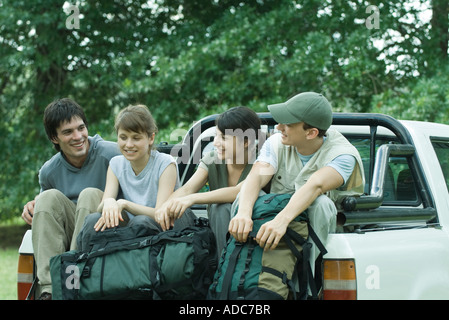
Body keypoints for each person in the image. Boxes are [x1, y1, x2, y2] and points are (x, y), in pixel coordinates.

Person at [229, 92, 364, 262]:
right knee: (245, 196)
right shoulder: (276, 142)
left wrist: (281, 221)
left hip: (314, 232)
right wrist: (243, 213)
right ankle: (237, 270)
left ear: (311, 133)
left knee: (321, 203)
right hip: (275, 223)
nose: (278, 127)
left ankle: (311, 283)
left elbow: (315, 185)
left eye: (288, 124)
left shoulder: (343, 155)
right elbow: (256, 176)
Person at [21, 98, 121, 300]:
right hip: (76, 232)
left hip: (113, 229)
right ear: (54, 138)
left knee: (90, 194)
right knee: (46, 198)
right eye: (68, 132)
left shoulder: (114, 154)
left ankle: (71, 283)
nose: (78, 136)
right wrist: (35, 205)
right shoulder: (49, 171)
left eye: (81, 128)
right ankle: (50, 290)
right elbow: (51, 209)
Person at [77, 104, 195, 251]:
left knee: (141, 222)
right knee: (94, 220)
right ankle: (84, 265)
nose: (129, 144)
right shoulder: (116, 163)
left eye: (136, 138)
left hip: (158, 230)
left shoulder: (165, 164)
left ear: (151, 138)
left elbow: (159, 213)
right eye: (123, 137)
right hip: (129, 230)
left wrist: (125, 204)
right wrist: (108, 202)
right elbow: (103, 205)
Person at [156, 106, 261, 256]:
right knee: (176, 210)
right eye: (216, 136)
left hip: (250, 231)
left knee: (221, 208)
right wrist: (166, 206)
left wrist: (191, 199)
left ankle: (224, 273)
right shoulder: (212, 159)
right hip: (215, 233)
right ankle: (187, 271)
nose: (216, 142)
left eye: (224, 138)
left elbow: (238, 191)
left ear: (246, 142)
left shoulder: (262, 162)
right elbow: (187, 189)